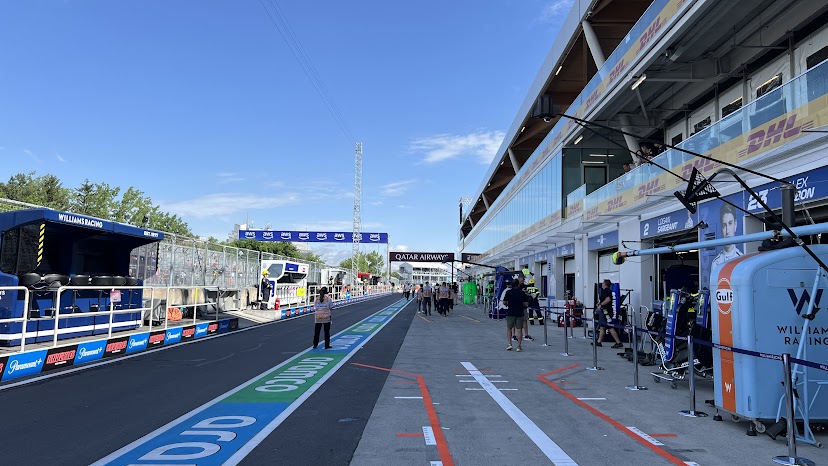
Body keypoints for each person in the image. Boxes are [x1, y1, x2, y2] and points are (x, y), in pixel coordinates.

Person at [593, 279, 623, 348]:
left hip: (606, 312)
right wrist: (599, 303)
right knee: (602, 327)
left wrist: (601, 305)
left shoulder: (606, 290)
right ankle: (599, 342)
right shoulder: (605, 291)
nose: (602, 284)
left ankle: (618, 342)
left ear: (605, 284)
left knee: (609, 326)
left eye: (603, 282)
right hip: (604, 311)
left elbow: (608, 299)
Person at [711, 203, 743, 268]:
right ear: (721, 228)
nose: (727, 231)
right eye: (724, 225)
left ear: (735, 225)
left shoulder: (742, 260)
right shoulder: (716, 263)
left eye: (730, 223)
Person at [502, 279, 528, 351]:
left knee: (509, 328)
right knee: (519, 330)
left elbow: (504, 302)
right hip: (519, 313)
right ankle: (519, 346)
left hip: (510, 312)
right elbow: (526, 303)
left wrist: (508, 304)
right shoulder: (522, 293)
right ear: (518, 285)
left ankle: (510, 344)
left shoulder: (508, 292)